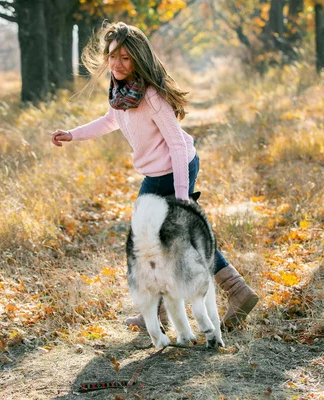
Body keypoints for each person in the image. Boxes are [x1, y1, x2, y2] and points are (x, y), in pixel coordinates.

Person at [51, 22, 258, 331]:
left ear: (138, 58)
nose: (117, 64)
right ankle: (186, 306)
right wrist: (72, 134)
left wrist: (183, 196)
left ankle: (229, 294)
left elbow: (176, 144)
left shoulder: (151, 97)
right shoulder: (121, 92)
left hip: (175, 169)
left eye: (125, 58)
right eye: (112, 57)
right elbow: (109, 121)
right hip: (156, 172)